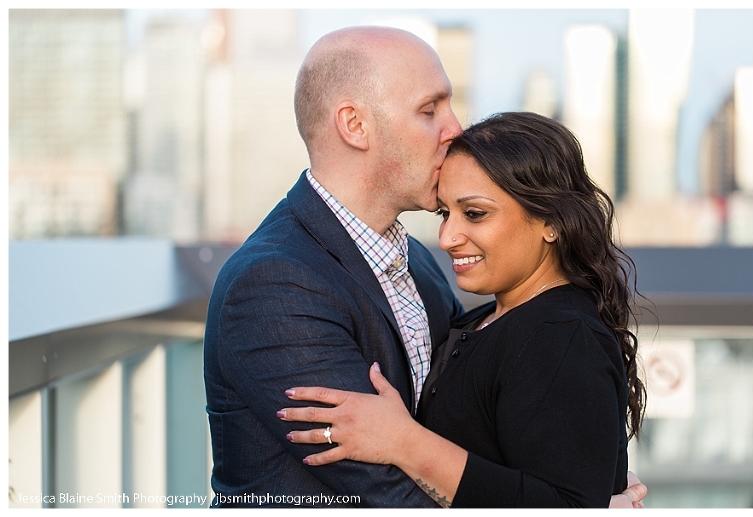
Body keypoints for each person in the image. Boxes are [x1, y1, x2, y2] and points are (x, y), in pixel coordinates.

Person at [204, 24, 646, 508]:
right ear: (355, 125)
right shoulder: (273, 285)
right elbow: (389, 494)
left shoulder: (420, 266)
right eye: (429, 109)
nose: (455, 128)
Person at [278, 112, 647, 508]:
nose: (447, 237)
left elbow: (567, 508)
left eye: (475, 213)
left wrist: (403, 442)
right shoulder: (486, 320)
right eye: (444, 213)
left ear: (550, 221)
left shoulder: (559, 334)